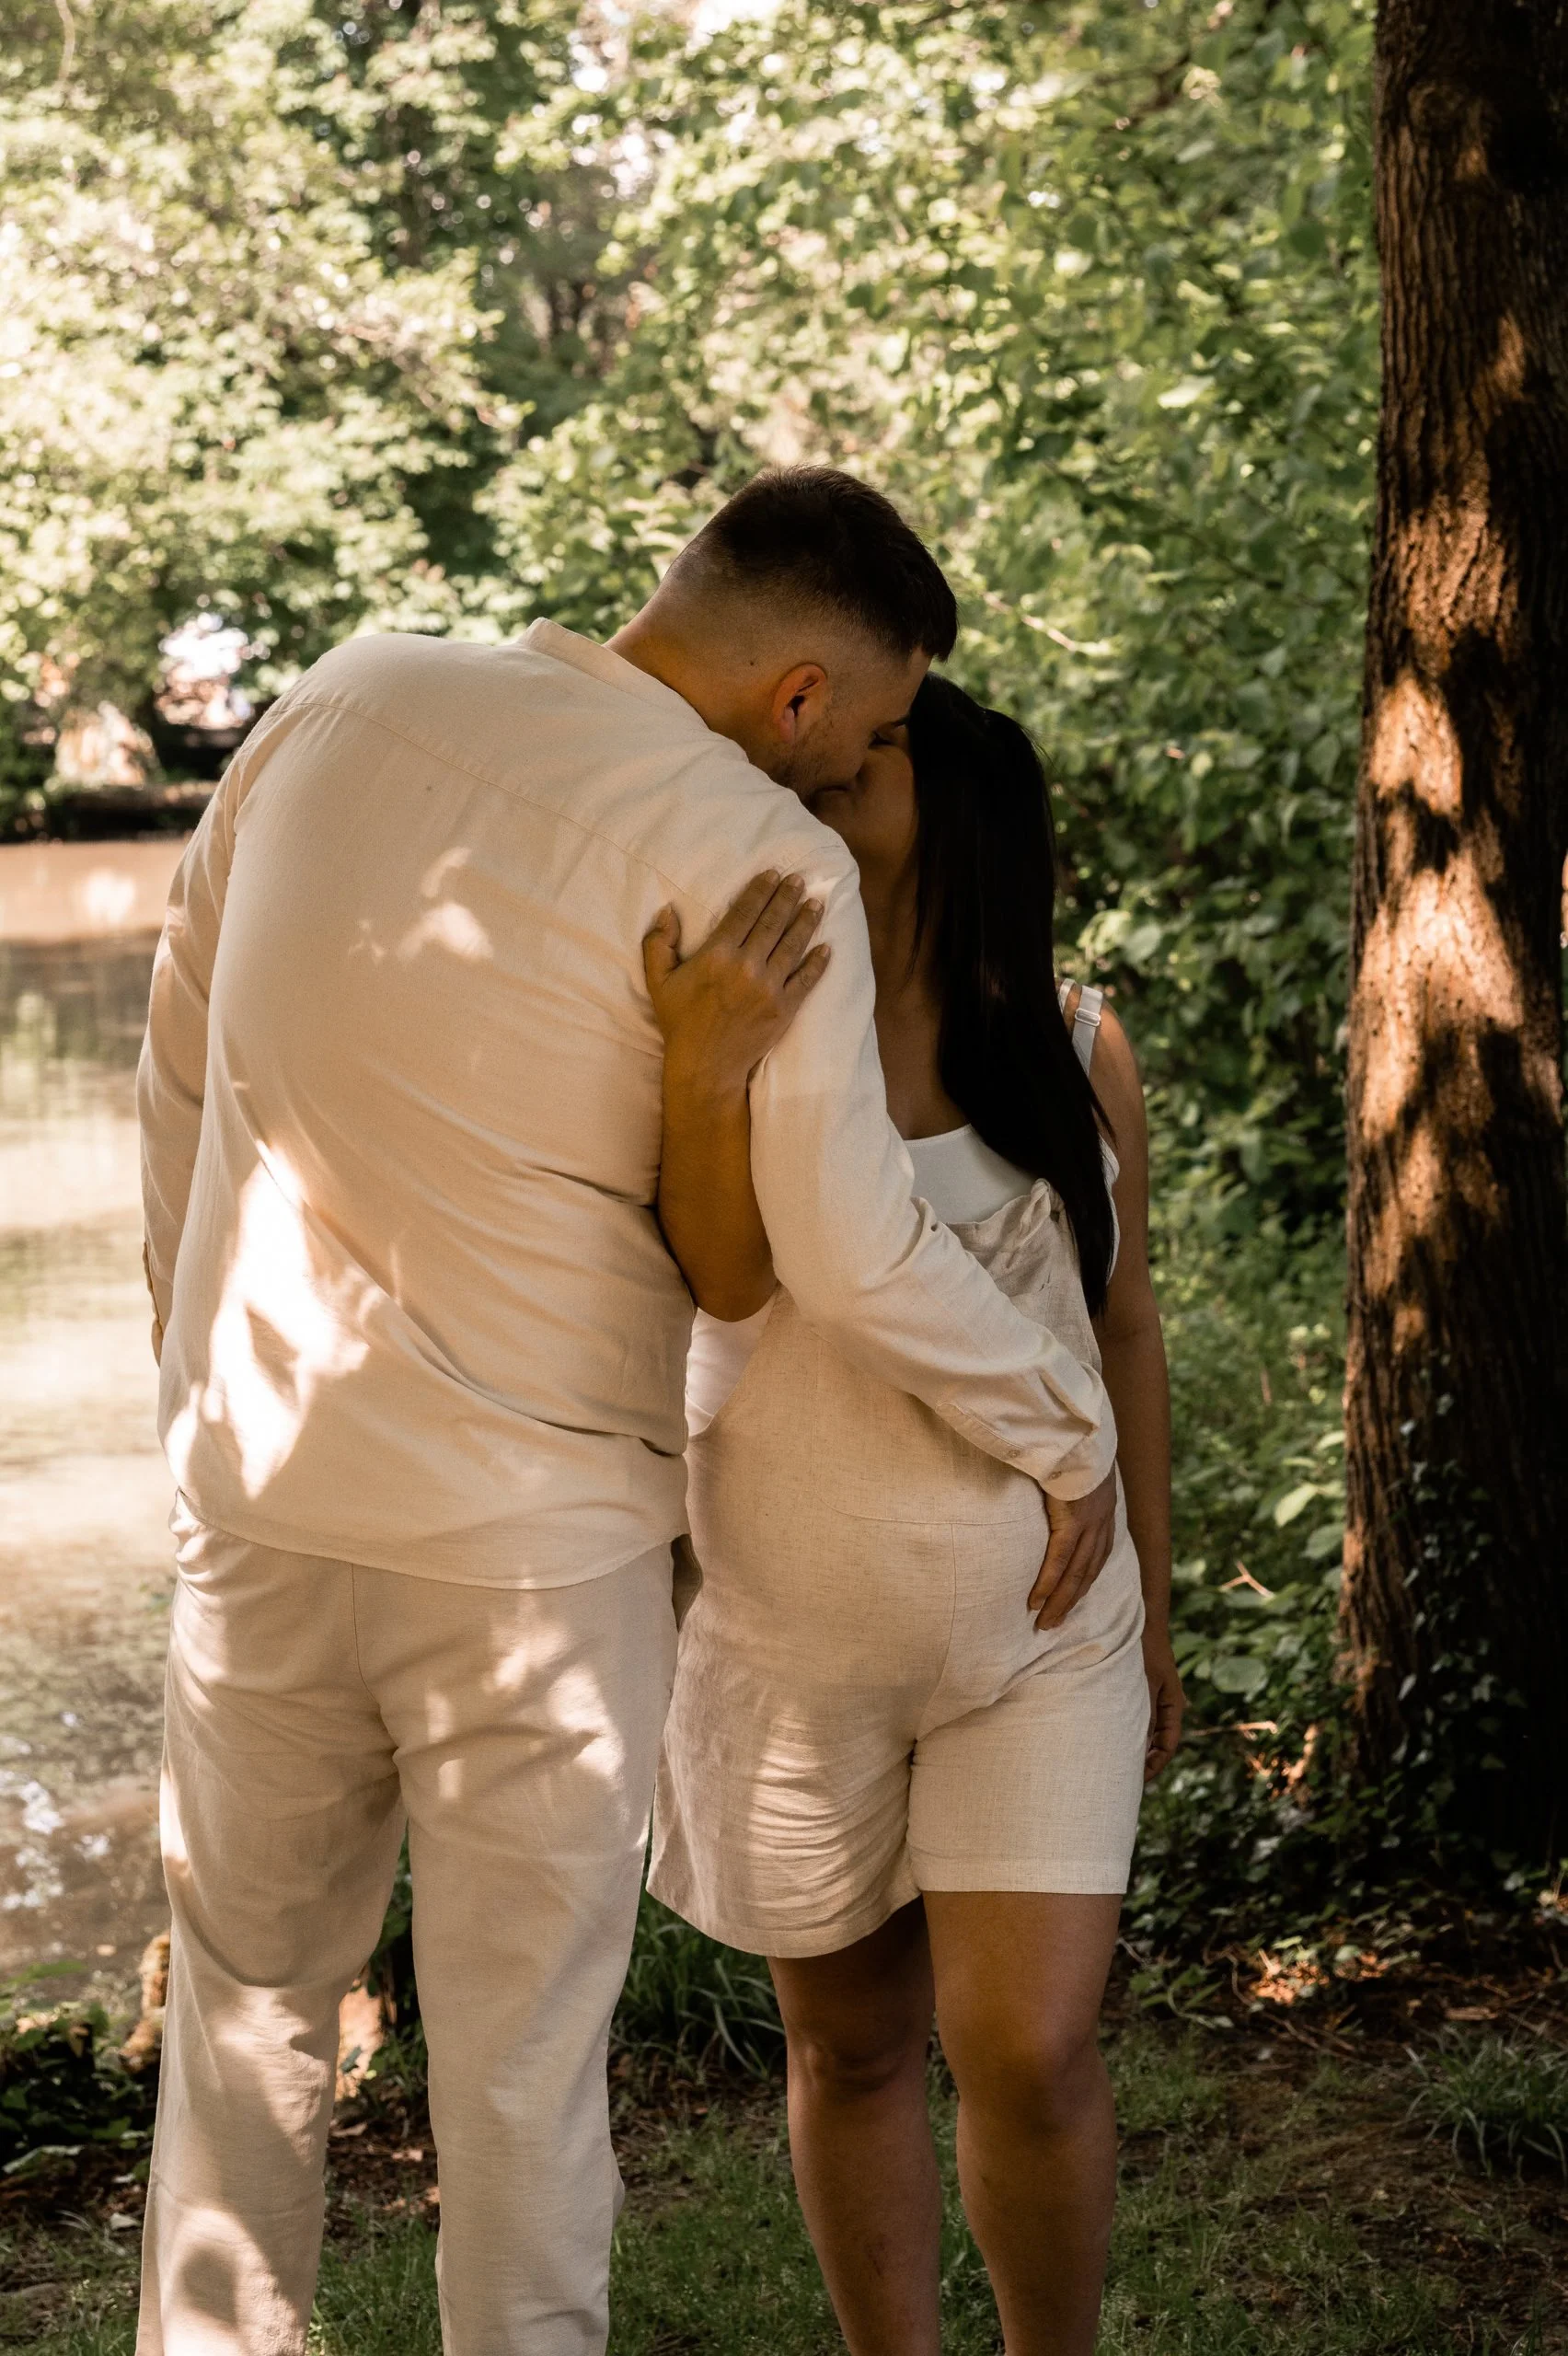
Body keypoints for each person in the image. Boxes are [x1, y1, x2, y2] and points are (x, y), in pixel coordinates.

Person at [133, 469, 1123, 2356]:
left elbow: (180, 1058)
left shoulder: (343, 691)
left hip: (261, 1499)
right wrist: (1061, 1425)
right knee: (520, 2076)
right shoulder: (749, 851)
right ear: (802, 696)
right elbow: (849, 1247)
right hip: (537, 1554)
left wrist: (190, 1397)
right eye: (877, 728)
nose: (864, 771)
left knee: (242, 2029)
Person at [643, 674, 1184, 2356]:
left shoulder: (1076, 1046)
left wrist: (1157, 1609)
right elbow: (716, 1288)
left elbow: (1125, 1330)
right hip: (791, 1648)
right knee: (855, 2048)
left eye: (872, 748)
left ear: (958, 809)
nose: (820, 759)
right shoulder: (744, 1017)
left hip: (1047, 1642)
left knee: (1028, 2045)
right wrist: (702, 1072)